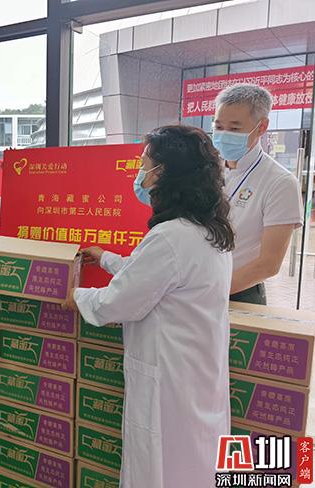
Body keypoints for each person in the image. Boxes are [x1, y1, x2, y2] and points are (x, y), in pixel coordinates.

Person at [63, 125, 234, 488]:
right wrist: (106, 258)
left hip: (169, 384)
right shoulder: (207, 230)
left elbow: (116, 302)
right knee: (195, 465)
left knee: (160, 468)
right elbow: (154, 276)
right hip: (197, 377)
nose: (140, 174)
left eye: (145, 164)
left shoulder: (171, 236)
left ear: (164, 172)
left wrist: (76, 296)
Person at [212, 83, 303, 305]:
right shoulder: (208, 170)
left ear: (261, 127)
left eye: (234, 129)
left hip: (239, 291)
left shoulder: (280, 182)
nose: (223, 135)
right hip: (193, 287)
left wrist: (210, 291)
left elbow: (268, 264)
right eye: (219, 126)